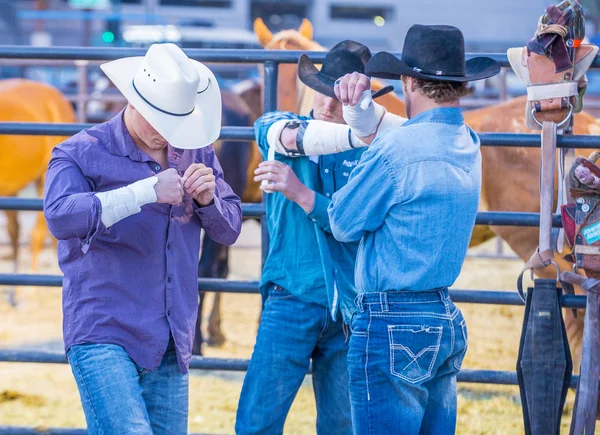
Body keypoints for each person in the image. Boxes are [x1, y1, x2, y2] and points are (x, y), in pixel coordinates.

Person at [43, 43, 242, 434]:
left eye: (175, 122)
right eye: (158, 121)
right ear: (131, 101)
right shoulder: (80, 153)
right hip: (104, 328)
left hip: (170, 335)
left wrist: (208, 199)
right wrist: (144, 191)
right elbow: (60, 216)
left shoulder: (195, 151)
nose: (166, 134)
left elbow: (230, 228)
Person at [328, 25, 501, 433]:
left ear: (407, 81)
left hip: (390, 316)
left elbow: (342, 221)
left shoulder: (396, 150)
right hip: (441, 312)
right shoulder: (467, 142)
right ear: (460, 85)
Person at [235, 40, 401, 434]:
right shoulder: (278, 126)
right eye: (323, 89)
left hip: (347, 307)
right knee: (258, 420)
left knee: (340, 425)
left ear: (363, 105)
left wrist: (301, 193)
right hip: (294, 295)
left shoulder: (371, 152)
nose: (329, 103)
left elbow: (356, 225)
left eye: (341, 97)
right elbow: (280, 134)